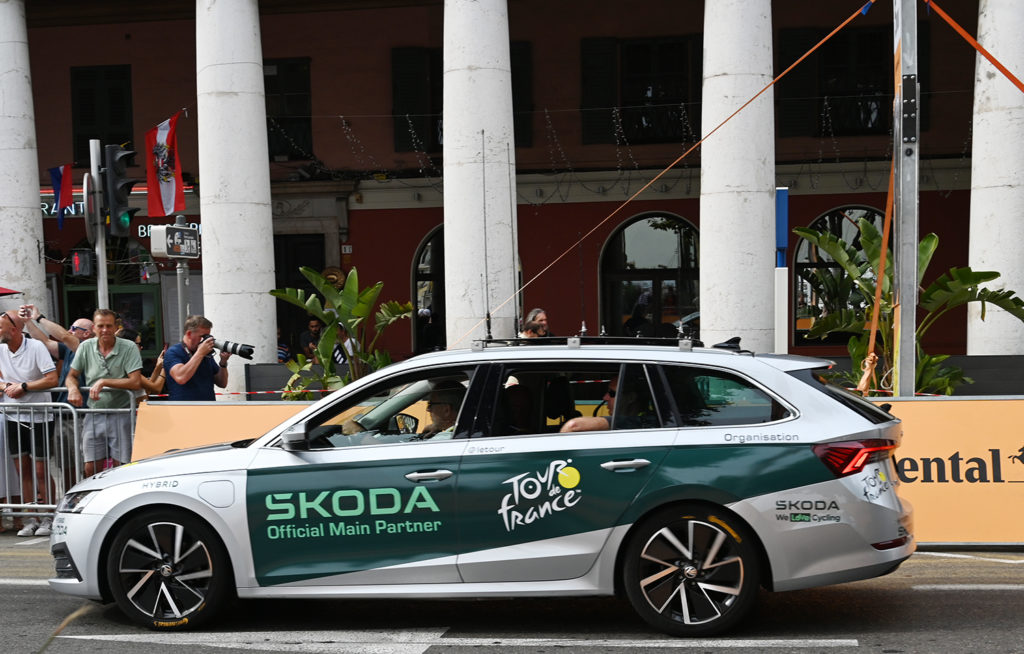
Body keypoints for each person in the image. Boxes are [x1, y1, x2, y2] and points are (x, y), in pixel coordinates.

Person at [0, 310, 59, 536]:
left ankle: (48, 517)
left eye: (0, 327)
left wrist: (23, 386)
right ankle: (30, 518)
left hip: (40, 415)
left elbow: (52, 378)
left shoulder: (35, 347)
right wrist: (6, 387)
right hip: (13, 415)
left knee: (40, 470)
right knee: (22, 469)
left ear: (14, 329)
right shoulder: (1, 349)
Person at [66, 309, 143, 478]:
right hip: (94, 414)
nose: (105, 330)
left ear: (116, 327)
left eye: (109, 326)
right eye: (101, 326)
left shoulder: (129, 347)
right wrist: (72, 389)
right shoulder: (85, 346)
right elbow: (71, 376)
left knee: (122, 467)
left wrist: (104, 382)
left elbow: (135, 381)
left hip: (121, 413)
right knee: (90, 467)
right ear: (94, 328)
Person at [164, 315, 230, 401]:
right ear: (189, 334)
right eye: (202, 337)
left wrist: (223, 362)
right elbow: (181, 378)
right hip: (183, 410)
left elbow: (222, 383)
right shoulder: (173, 352)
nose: (205, 340)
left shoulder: (205, 354)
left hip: (208, 409)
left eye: (208, 337)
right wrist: (200, 353)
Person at [116, 327, 166, 398]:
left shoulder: (126, 364)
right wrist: (165, 368)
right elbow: (157, 389)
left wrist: (158, 368)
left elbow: (147, 390)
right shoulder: (130, 370)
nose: (141, 347)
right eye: (139, 344)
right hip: (136, 408)